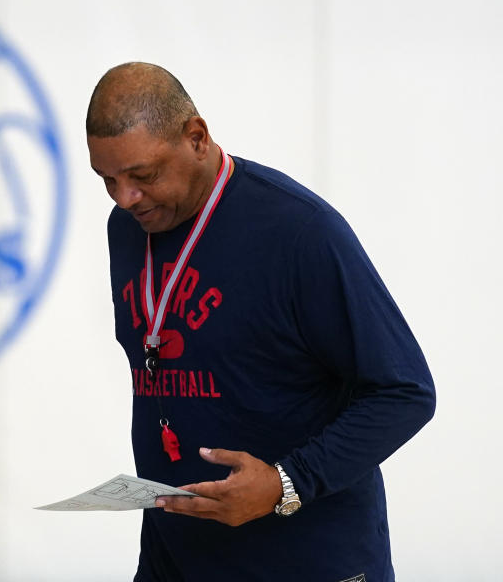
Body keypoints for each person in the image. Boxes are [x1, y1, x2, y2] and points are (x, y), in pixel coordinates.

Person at [86, 62, 436, 581]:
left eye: (143, 176)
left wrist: (286, 482)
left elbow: (404, 391)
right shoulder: (129, 229)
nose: (124, 197)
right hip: (178, 557)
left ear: (197, 138)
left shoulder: (299, 232)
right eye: (107, 180)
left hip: (307, 560)